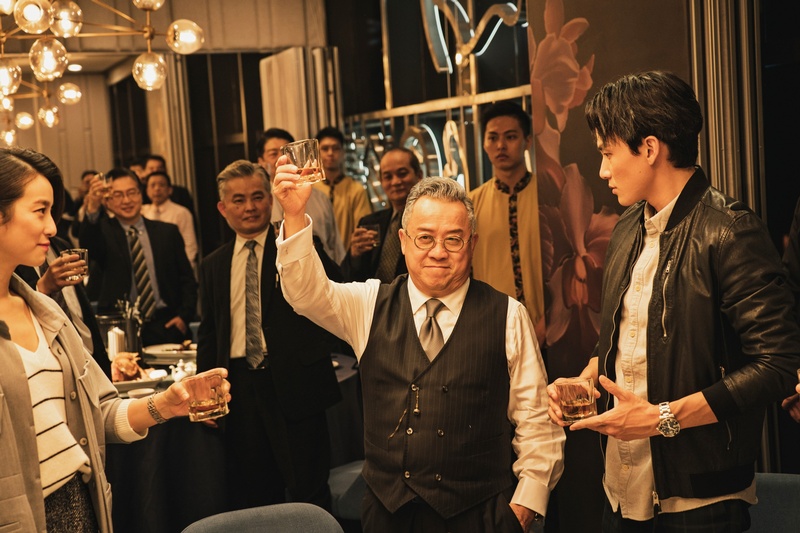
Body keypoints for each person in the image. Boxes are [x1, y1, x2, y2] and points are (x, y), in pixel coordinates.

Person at [547, 71, 800, 531]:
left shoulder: (729, 230)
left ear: (649, 148)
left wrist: (662, 418)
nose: (602, 170)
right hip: (620, 489)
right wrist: (587, 379)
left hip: (699, 501)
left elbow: (777, 364)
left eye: (608, 153)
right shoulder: (626, 228)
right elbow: (629, 340)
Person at [274, 166, 565, 532]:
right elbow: (305, 293)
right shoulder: (368, 304)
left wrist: (524, 507)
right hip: (388, 516)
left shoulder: (508, 315)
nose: (438, 252)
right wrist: (294, 215)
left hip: (480, 515)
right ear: (403, 240)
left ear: (472, 243)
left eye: (453, 240)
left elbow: (536, 422)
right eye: (425, 238)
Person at [0, 147, 230, 533]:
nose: (52, 228)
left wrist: (165, 404)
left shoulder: (45, 312)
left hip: (78, 500)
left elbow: (99, 413)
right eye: (40, 211)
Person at [197, 160, 342, 512]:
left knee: (310, 490)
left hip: (294, 382)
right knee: (255, 496)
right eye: (239, 200)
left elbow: (335, 289)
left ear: (271, 199)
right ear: (223, 208)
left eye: (258, 197)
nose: (250, 207)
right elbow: (210, 331)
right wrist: (205, 390)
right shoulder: (213, 264)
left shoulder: (295, 245)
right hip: (240, 390)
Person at [79, 168, 198, 346]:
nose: (126, 200)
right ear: (107, 200)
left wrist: (183, 316)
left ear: (141, 194)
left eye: (131, 192)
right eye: (118, 195)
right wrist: (93, 208)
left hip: (166, 324)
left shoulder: (167, 232)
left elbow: (187, 279)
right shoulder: (103, 232)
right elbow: (89, 245)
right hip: (120, 328)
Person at [469, 101, 544, 334]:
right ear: (484, 143)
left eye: (510, 137)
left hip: (549, 327)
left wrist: (549, 323)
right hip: (493, 327)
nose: (500, 145)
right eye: (493, 138)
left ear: (527, 141)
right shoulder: (470, 204)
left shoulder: (548, 195)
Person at [15, 233, 112, 379]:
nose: (52, 229)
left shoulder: (61, 245)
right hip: (51, 370)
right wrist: (42, 289)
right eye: (40, 218)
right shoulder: (11, 258)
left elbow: (80, 312)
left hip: (89, 358)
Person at [257, 128, 345, 263]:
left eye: (286, 152)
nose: (282, 158)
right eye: (273, 154)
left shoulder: (320, 197)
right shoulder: (260, 202)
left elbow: (335, 246)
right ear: (261, 162)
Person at [342, 147, 421, 282]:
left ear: (419, 175)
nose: (395, 182)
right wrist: (354, 254)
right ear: (381, 181)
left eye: (402, 174)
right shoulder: (370, 223)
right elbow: (348, 277)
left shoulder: (429, 222)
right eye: (388, 177)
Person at [312, 126, 372, 250]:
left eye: (335, 148)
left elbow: (362, 229)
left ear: (343, 152)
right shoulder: (311, 190)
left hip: (348, 256)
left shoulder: (356, 189)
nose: (330, 153)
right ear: (317, 153)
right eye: (325, 149)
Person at [141, 170, 199, 270]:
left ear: (170, 190)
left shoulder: (181, 212)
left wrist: (184, 269)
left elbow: (190, 246)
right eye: (152, 185)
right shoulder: (142, 212)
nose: (157, 189)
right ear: (147, 190)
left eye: (161, 185)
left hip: (176, 268)